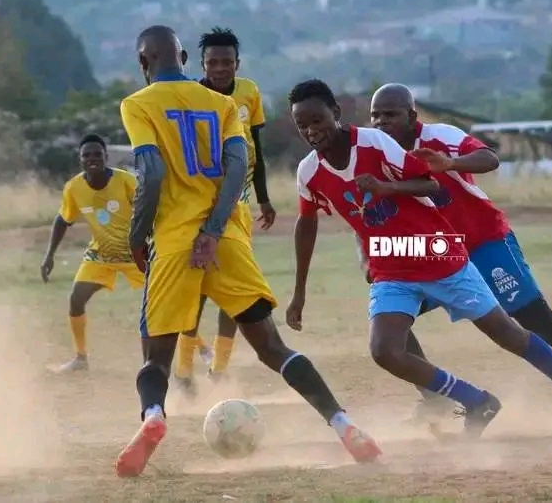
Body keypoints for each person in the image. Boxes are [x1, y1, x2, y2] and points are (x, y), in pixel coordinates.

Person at [287, 78, 552, 442]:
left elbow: (465, 169)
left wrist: (434, 169)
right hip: (400, 261)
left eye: (391, 114)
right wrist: (335, 274)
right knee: (386, 347)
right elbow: (342, 217)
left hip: (464, 247)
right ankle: (460, 400)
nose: (383, 122)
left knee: (525, 324)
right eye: (377, 115)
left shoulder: (408, 141)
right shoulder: (311, 171)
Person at [115, 26, 380, 478]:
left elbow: (153, 173)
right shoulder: (222, 104)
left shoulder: (137, 105)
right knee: (273, 347)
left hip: (175, 241)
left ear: (144, 63)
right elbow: (239, 169)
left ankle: (155, 417)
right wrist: (215, 230)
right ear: (183, 57)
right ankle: (344, 425)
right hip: (230, 240)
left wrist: (138, 235)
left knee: (154, 358)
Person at [174, 27, 276, 393]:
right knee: (197, 287)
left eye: (227, 62)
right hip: (199, 205)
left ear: (237, 63)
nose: (220, 68)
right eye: (213, 62)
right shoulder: (192, 96)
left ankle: (219, 368)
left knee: (234, 287)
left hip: (240, 205)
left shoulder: (249, 93)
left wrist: (263, 197)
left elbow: (256, 149)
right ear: (201, 65)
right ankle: (184, 371)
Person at [40, 134, 144, 373]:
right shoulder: (74, 187)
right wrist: (49, 256)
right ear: (80, 160)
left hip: (136, 254)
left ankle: (199, 348)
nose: (92, 158)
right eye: (87, 155)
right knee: (76, 298)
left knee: (165, 301)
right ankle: (80, 358)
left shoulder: (126, 181)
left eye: (98, 154)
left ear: (106, 157)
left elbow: (150, 208)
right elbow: (63, 219)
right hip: (102, 255)